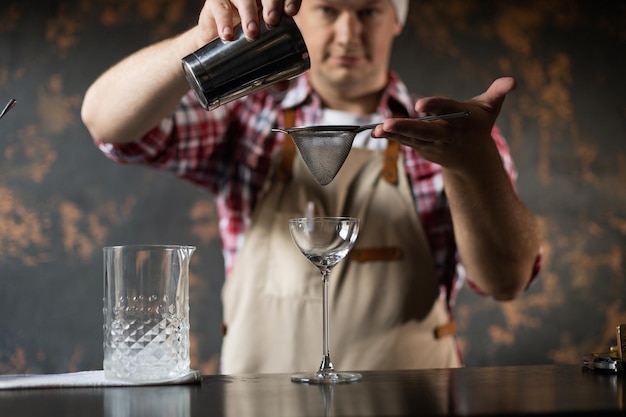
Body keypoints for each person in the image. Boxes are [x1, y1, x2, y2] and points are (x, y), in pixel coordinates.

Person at [81, 0, 541, 373]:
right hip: (259, 404)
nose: (348, 34)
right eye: (328, 10)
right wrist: (198, 43)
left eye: (368, 12)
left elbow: (505, 282)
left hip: (413, 401)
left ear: (395, 21)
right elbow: (109, 125)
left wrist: (471, 167)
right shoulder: (246, 121)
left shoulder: (453, 135)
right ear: (293, 14)